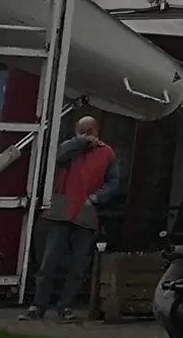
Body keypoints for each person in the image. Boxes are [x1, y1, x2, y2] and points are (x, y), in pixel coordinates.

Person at [29, 107, 119, 320]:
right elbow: (59, 158)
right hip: (61, 211)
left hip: (86, 213)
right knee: (49, 262)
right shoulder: (69, 148)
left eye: (88, 131)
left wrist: (97, 197)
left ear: (96, 131)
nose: (85, 135)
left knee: (78, 266)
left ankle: (65, 307)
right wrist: (80, 142)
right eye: (81, 131)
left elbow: (114, 181)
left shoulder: (107, 153)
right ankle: (38, 306)